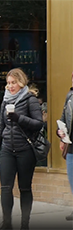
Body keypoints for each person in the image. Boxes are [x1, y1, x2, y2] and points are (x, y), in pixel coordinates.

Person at [0, 68, 43, 230]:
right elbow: (1, 125)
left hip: (25, 149)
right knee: (5, 188)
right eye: (8, 83)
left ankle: (24, 224)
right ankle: (6, 223)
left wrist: (19, 118)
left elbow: (38, 124)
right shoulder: (6, 100)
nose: (10, 86)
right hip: (7, 148)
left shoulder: (30, 100)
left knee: (24, 188)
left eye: (13, 83)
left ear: (21, 82)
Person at [56, 72, 73, 221]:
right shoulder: (70, 96)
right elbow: (63, 118)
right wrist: (60, 133)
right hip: (71, 146)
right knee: (72, 179)